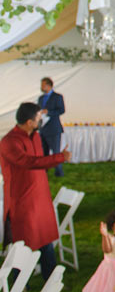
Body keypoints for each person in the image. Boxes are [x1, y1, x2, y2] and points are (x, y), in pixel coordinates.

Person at [0, 102, 70, 281]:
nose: (41, 121)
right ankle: (19, 284)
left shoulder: (36, 137)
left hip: (40, 197)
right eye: (38, 118)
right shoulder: (9, 142)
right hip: (22, 199)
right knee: (24, 244)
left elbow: (39, 162)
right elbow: (29, 162)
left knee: (45, 240)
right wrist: (59, 158)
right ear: (30, 121)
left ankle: (51, 280)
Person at [38, 76, 66, 177]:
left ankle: (58, 172)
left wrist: (49, 112)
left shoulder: (58, 97)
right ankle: (44, 171)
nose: (41, 87)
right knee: (43, 152)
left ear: (49, 85)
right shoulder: (41, 98)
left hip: (54, 128)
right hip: (43, 128)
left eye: (43, 85)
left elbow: (62, 110)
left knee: (56, 152)